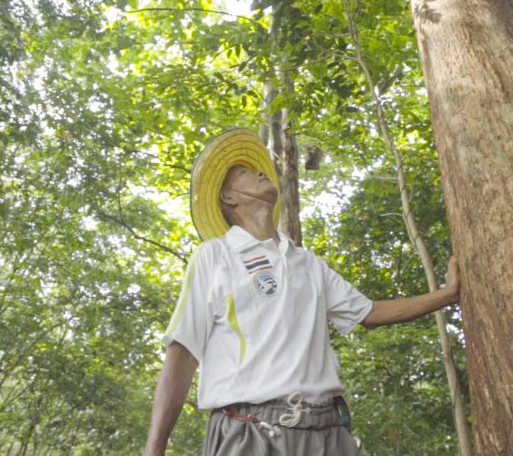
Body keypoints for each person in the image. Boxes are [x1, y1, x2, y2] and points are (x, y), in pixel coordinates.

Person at [143, 129, 461, 456]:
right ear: (229, 197)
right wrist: (154, 450)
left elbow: (371, 313)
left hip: (326, 434)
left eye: (259, 170)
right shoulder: (215, 255)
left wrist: (448, 295)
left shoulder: (307, 262)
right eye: (246, 174)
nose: (261, 172)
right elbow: (183, 354)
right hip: (249, 431)